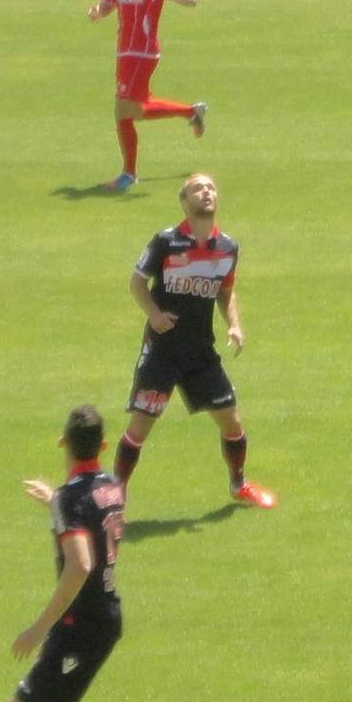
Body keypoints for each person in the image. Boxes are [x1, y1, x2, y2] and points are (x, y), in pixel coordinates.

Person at [1, 402, 137, 702]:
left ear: (63, 442)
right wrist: (55, 503)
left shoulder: (70, 499)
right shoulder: (112, 485)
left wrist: (38, 627)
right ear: (102, 445)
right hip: (100, 618)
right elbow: (94, 517)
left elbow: (80, 565)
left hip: (82, 627)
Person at [115, 173, 274, 509]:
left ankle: (238, 484)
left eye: (211, 188)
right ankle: (115, 496)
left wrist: (235, 325)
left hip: (200, 351)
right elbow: (137, 284)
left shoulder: (228, 248)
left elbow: (225, 291)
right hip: (163, 351)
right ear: (184, 202)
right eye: (197, 189)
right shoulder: (166, 242)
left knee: (232, 421)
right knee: (141, 425)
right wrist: (155, 316)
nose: (206, 193)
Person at [87, 0, 207, 192]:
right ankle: (191, 111)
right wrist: (97, 13)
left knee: (124, 110)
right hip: (123, 50)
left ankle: (129, 174)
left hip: (143, 50)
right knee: (131, 111)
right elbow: (107, 4)